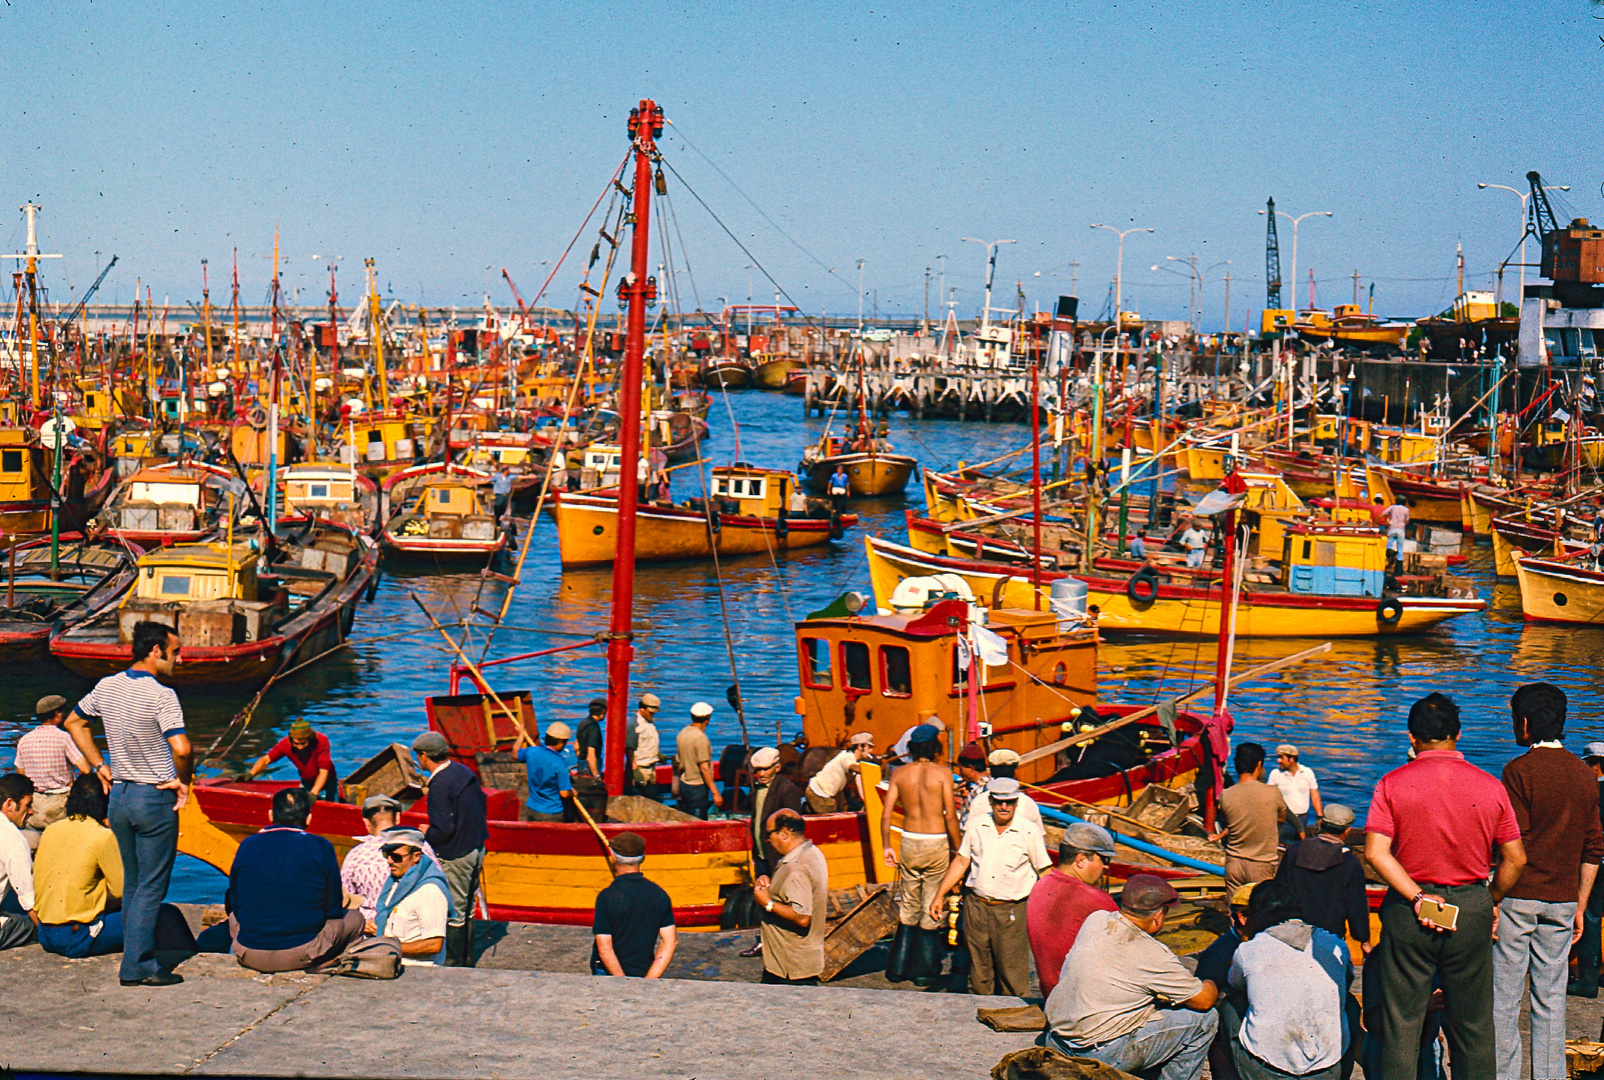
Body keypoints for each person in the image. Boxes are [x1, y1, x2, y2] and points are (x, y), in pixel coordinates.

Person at [1364, 692, 1526, 1080]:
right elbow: (1516, 859)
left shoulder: (1391, 783)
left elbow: (1376, 852)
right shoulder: (1489, 786)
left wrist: (1418, 897)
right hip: (1470, 905)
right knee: (1473, 1027)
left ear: (1412, 736)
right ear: (1458, 733)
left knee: (1401, 1024)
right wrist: (1488, 900)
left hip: (1409, 907)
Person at [63, 620, 192, 987]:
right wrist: (184, 781)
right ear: (156, 651)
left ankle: (134, 957)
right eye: (175, 652)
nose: (179, 659)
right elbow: (181, 747)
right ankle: (138, 965)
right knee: (152, 885)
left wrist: (99, 765)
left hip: (119, 795)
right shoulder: (162, 695)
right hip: (153, 797)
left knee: (134, 883)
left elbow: (74, 721)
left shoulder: (107, 686)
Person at [1494, 682, 1603, 1080]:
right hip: (1562, 901)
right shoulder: (1584, 775)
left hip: (1518, 898)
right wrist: (1580, 903)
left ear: (1524, 724)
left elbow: (1514, 845)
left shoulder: (1517, 771)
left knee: (1503, 1001)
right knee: (1551, 1000)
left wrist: (1494, 896)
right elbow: (1594, 848)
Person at [1046, 874, 1220, 1079]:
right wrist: (1211, 978)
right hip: (1097, 1054)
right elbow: (1204, 1001)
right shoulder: (1152, 953)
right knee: (1206, 1020)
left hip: (1057, 1040)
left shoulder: (1096, 919)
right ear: (1158, 916)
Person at [33, 772, 196, 958]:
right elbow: (126, 891)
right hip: (77, 937)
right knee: (166, 916)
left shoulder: (51, 831)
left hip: (46, 933)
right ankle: (190, 963)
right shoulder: (102, 836)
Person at [929, 778, 1051, 997]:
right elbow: (961, 861)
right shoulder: (977, 825)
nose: (1004, 807)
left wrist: (1052, 911)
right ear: (991, 801)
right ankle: (977, 1016)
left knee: (1012, 973)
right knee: (978, 970)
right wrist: (939, 895)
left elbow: (1045, 872)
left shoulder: (1029, 831)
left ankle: (1012, 1019)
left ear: (1016, 803)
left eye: (1009, 802)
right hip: (976, 907)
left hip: (1012, 912)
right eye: (999, 802)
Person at [224, 787, 366, 973]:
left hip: (249, 954)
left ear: (270, 815)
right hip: (300, 954)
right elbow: (332, 909)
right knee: (355, 918)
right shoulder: (321, 846)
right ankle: (331, 965)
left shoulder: (246, 845)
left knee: (235, 916)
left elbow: (234, 903)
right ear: (309, 819)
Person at [1227, 879, 1353, 1080]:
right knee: (1349, 1004)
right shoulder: (1335, 943)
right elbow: (1347, 980)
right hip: (1326, 1068)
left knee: (1229, 1005)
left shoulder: (1248, 949)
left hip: (1266, 1068)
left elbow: (1234, 984)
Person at [879, 724, 959, 986]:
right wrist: (958, 849)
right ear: (935, 747)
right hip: (935, 841)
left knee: (909, 902)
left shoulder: (900, 773)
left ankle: (897, 967)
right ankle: (924, 969)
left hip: (910, 840)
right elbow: (950, 815)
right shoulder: (943, 773)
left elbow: (887, 813)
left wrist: (886, 846)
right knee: (932, 901)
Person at [412, 730, 489, 968]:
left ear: (424, 756)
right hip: (477, 847)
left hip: (457, 854)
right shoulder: (463, 772)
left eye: (418, 756)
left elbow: (443, 828)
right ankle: (466, 958)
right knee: (467, 909)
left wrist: (426, 833)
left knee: (454, 910)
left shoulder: (439, 784)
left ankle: (454, 963)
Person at [1027, 822, 1119, 1000]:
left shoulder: (1039, 886)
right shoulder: (1095, 899)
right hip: (1083, 1003)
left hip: (1052, 997)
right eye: (1103, 860)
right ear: (1081, 860)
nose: (1106, 867)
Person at [1273, 804, 1370, 951]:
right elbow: (1356, 907)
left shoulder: (1295, 850)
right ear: (1347, 830)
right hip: (1330, 937)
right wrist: (1363, 938)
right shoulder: (1349, 862)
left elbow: (1278, 890)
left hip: (1292, 932)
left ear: (1322, 824)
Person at [755, 809, 828, 985]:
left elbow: (802, 917)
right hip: (799, 963)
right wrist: (771, 885)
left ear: (784, 833)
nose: (767, 840)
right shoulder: (811, 853)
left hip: (789, 968)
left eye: (769, 834)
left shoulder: (797, 868)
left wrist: (768, 903)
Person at [591, 831, 677, 978]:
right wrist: (649, 979)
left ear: (613, 857)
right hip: (643, 971)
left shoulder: (607, 897)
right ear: (642, 858)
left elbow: (605, 948)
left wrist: (622, 981)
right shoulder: (659, 894)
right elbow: (670, 942)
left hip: (608, 973)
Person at [340, 794, 437, 921]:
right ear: (397, 818)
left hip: (369, 927)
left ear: (366, 822)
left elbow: (345, 898)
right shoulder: (420, 847)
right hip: (412, 924)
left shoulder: (355, 856)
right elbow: (438, 885)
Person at [1212, 743, 1290, 893]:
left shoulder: (1226, 795)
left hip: (1234, 863)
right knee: (1260, 911)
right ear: (1259, 765)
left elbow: (1228, 822)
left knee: (1235, 910)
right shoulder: (1272, 792)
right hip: (1261, 864)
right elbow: (1281, 818)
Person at [370, 828, 450, 966]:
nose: (389, 861)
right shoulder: (396, 883)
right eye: (386, 854)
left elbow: (434, 945)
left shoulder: (430, 892)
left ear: (416, 856)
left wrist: (386, 945)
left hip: (418, 971)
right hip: (391, 963)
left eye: (396, 857)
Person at [13, 694, 89, 837]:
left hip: (35, 806)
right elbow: (85, 769)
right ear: (57, 714)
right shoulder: (63, 737)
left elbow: (20, 777)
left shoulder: (24, 740)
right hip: (59, 805)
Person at [1572, 740, 1604, 998]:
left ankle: (1588, 980)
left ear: (1596, 766)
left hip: (1597, 865)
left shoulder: (1591, 793)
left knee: (1590, 918)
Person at [244, 719, 338, 801]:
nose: (300, 747)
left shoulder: (321, 741)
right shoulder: (285, 744)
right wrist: (251, 774)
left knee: (332, 806)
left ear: (310, 739)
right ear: (291, 740)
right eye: (296, 744)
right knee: (302, 807)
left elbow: (324, 771)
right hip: (307, 781)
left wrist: (314, 793)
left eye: (303, 743)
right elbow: (266, 760)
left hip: (328, 781)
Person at [0, 772, 37, 950]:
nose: (31, 812)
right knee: (31, 927)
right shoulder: (13, 839)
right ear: (9, 804)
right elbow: (29, 899)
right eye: (27, 805)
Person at [968, 748, 1044, 833]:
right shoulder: (1028, 803)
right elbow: (1038, 838)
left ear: (992, 771)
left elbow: (968, 835)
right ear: (1014, 771)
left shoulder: (979, 801)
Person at [517, 721, 574, 823]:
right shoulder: (559, 762)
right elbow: (564, 794)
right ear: (560, 742)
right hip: (553, 813)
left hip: (532, 809)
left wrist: (521, 736)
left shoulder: (532, 751)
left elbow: (515, 753)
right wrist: (573, 793)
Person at [804, 732, 874, 814]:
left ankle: (808, 810)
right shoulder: (846, 757)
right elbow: (852, 766)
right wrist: (870, 769)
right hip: (819, 793)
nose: (871, 750)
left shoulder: (856, 763)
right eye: (869, 747)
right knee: (831, 820)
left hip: (824, 794)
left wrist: (867, 802)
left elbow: (859, 785)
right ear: (860, 746)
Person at [1266, 744, 1321, 842]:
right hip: (1284, 820)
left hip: (1302, 818)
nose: (1278, 761)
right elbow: (1269, 797)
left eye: (1281, 758)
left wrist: (1319, 816)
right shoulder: (1275, 774)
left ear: (1291, 759)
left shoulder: (1307, 772)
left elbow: (1314, 794)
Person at [675, 702, 720, 819]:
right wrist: (715, 792)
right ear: (708, 719)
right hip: (697, 787)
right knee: (698, 820)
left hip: (684, 784)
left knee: (685, 818)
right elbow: (704, 768)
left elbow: (678, 763)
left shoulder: (682, 733)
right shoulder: (700, 738)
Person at [631, 694, 662, 798]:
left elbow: (646, 744)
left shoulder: (649, 723)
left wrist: (658, 754)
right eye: (650, 712)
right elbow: (628, 749)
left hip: (652, 768)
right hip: (641, 768)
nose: (652, 715)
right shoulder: (634, 724)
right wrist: (635, 769)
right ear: (642, 708)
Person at [575, 698, 607, 778]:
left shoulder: (583, 722)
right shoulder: (594, 727)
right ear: (603, 712)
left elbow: (576, 746)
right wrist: (596, 776)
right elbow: (591, 754)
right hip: (590, 769)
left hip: (582, 764)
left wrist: (582, 759)